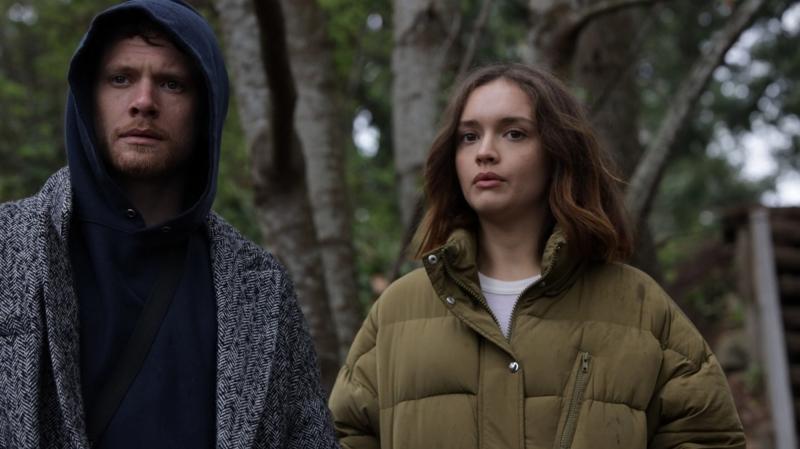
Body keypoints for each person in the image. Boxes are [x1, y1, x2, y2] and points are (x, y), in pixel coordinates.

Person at [329, 63, 745, 449]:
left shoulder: (639, 307)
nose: (484, 152)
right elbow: (341, 437)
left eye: (514, 133)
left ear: (558, 152)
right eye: (469, 136)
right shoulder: (397, 311)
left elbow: (708, 437)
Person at [0, 1, 337, 448]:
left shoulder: (261, 287)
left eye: (171, 83)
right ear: (88, 97)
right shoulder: (9, 248)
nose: (143, 102)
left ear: (205, 108)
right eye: (120, 79)